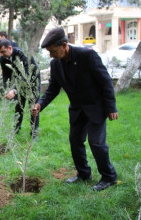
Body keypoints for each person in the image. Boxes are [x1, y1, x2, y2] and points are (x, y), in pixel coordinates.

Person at [31, 27, 118, 191]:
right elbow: (53, 89)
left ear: (64, 45)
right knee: (75, 141)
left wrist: (111, 107)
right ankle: (84, 174)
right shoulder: (55, 64)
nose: (51, 55)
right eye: (48, 52)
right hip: (77, 109)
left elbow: (105, 81)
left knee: (96, 143)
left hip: (95, 106)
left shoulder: (87, 55)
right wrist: (40, 104)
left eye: (52, 51)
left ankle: (109, 177)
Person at [0, 39, 40, 137]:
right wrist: (7, 88)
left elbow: (27, 75)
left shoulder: (23, 55)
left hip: (32, 81)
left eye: (3, 51)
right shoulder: (3, 59)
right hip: (19, 82)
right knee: (19, 106)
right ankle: (16, 129)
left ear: (10, 48)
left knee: (33, 107)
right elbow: (6, 75)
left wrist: (15, 90)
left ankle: (34, 133)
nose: (1, 54)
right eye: (0, 52)